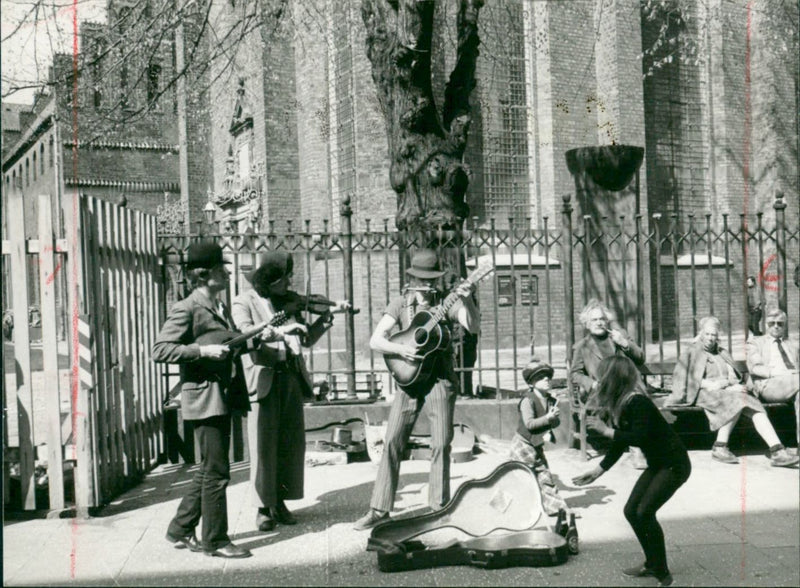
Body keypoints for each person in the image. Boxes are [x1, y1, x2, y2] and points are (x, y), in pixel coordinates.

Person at [353, 248, 480, 530]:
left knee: (441, 444)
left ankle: (438, 508)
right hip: (408, 381)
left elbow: (472, 327)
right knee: (392, 441)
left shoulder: (448, 302)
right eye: (421, 281)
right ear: (411, 278)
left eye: (431, 281)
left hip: (439, 380)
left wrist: (468, 300)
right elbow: (376, 340)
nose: (426, 287)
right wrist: (401, 349)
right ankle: (379, 509)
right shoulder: (401, 303)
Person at [232, 251, 350, 532]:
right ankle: (263, 507)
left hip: (290, 377)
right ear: (269, 281)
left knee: (289, 443)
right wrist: (281, 331)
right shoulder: (243, 302)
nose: (288, 284)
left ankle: (281, 501)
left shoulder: (288, 302)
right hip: (264, 378)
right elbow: (247, 333)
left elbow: (306, 339)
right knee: (263, 444)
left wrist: (328, 317)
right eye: (284, 279)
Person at [152, 241, 252, 559]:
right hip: (204, 397)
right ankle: (215, 540)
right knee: (218, 471)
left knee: (210, 467)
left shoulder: (218, 306)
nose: (226, 272)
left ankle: (180, 528)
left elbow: (228, 343)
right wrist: (202, 351)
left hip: (221, 393)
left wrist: (258, 338)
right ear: (205, 275)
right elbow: (160, 349)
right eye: (221, 269)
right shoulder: (188, 308)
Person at [573, 356, 690, 587]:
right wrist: (598, 471)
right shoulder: (623, 403)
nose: (597, 383)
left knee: (645, 512)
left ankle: (664, 575)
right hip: (659, 464)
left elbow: (639, 437)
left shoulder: (638, 402)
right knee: (631, 511)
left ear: (613, 380)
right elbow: (620, 442)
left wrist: (607, 431)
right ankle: (652, 563)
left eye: (601, 378)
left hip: (674, 465)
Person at [667, 315, 798, 467]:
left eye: (714, 335)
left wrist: (731, 384)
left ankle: (777, 451)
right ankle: (720, 446)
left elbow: (733, 376)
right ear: (701, 334)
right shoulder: (692, 352)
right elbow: (685, 380)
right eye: (708, 334)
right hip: (703, 392)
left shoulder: (722, 352)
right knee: (736, 401)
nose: (710, 338)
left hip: (726, 392)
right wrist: (716, 384)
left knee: (754, 405)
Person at [570, 298, 648, 468]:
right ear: (586, 324)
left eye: (602, 319)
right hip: (603, 389)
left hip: (628, 385)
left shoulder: (620, 335)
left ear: (607, 320)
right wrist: (591, 383)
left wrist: (624, 343)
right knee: (624, 402)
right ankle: (637, 449)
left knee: (633, 400)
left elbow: (641, 358)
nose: (599, 323)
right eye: (594, 320)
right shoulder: (582, 347)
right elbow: (574, 374)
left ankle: (637, 448)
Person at [509, 358, 570, 517]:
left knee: (544, 475)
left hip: (535, 444)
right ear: (531, 383)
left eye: (547, 377)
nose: (546, 380)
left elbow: (552, 423)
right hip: (523, 445)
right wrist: (548, 418)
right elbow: (529, 424)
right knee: (519, 477)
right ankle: (507, 507)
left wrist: (554, 418)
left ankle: (556, 508)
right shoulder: (527, 400)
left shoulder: (550, 400)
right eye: (540, 378)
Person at [746, 308, 799, 445]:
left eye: (780, 323)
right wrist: (781, 373)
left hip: (793, 384)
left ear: (785, 325)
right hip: (769, 384)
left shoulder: (792, 345)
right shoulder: (756, 343)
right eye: (772, 323)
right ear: (765, 325)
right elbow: (755, 368)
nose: (776, 326)